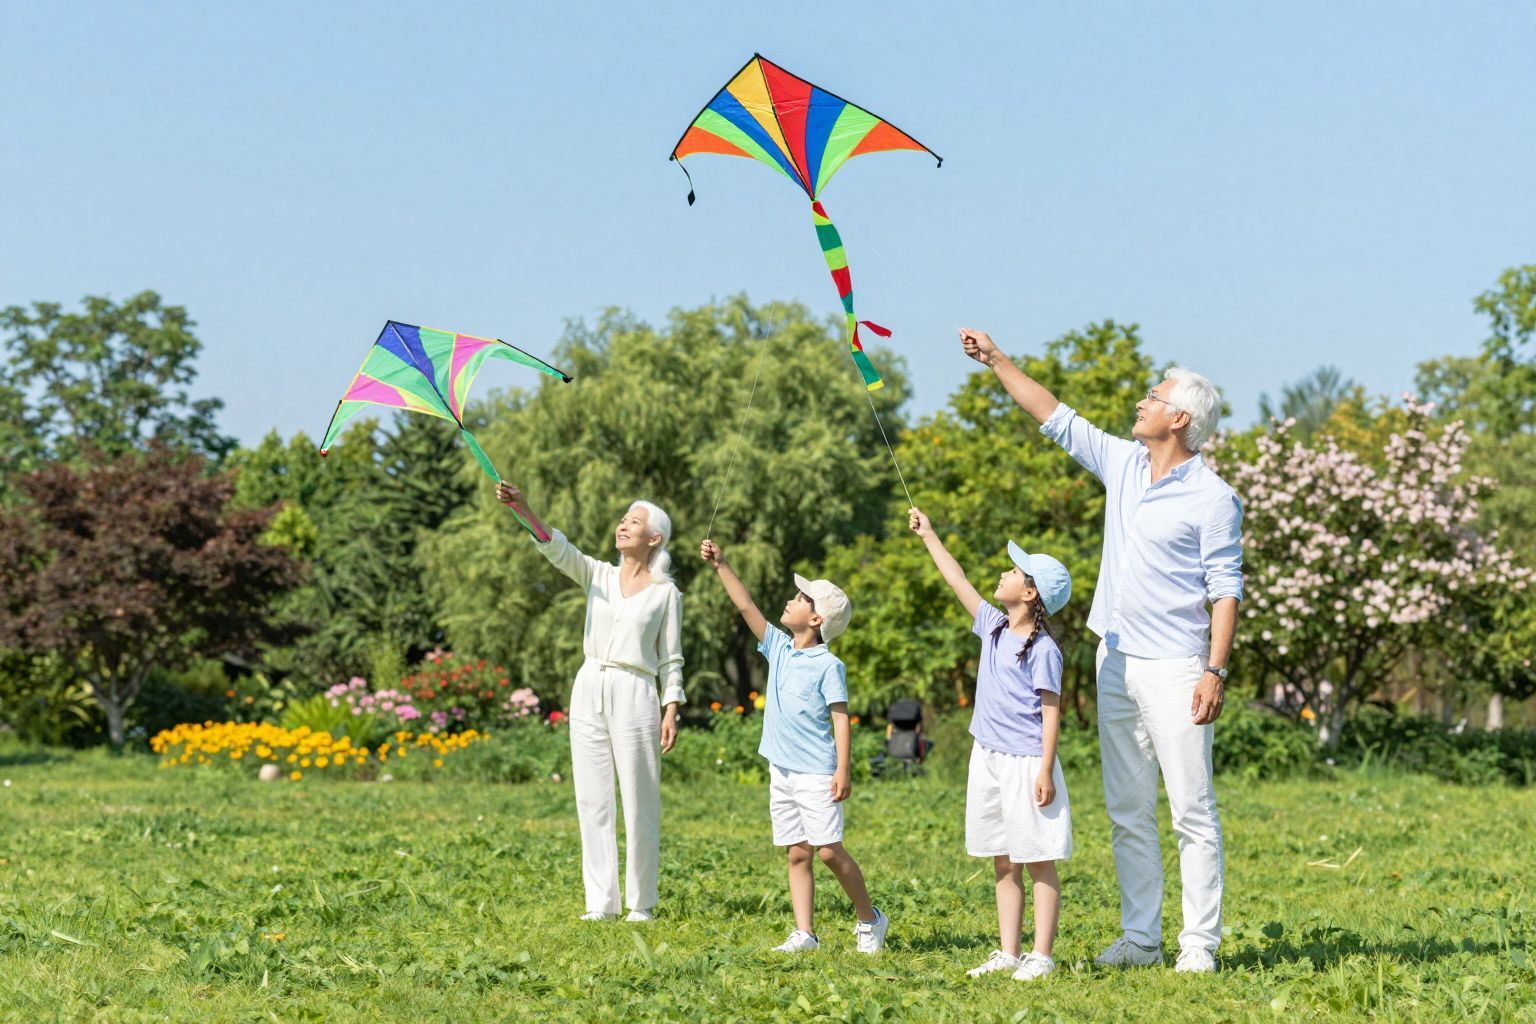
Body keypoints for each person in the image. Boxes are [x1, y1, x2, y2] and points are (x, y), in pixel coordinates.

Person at [958, 328, 1243, 974]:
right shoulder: (1122, 463)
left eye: (1154, 395)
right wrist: (997, 360)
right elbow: (1054, 414)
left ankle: (1198, 945)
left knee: (1191, 809)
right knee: (1128, 809)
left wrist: (1214, 670)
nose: (1142, 400)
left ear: (1181, 418)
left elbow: (1226, 592)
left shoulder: (1214, 499)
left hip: (1178, 668)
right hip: (1114, 660)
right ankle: (1142, 939)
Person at [496, 480, 683, 922]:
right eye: (622, 519)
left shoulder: (665, 593)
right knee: (593, 800)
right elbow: (555, 548)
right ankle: (600, 903)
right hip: (589, 685)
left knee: (640, 799)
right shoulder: (597, 574)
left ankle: (642, 903)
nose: (623, 525)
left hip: (636, 689)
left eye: (633, 522)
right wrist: (523, 506)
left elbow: (671, 658)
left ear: (653, 538)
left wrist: (670, 707)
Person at [699, 538, 889, 954]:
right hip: (781, 769)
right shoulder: (780, 648)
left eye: (801, 598)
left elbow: (841, 718)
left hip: (817, 772)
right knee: (797, 852)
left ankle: (869, 918)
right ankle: (805, 933)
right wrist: (722, 565)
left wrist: (843, 769)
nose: (790, 599)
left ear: (816, 617)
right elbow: (747, 606)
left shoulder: (829, 665)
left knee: (828, 853)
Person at [909, 507, 1073, 982]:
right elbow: (955, 578)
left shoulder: (1044, 649)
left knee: (1037, 858)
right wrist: (930, 535)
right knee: (1003, 859)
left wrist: (1045, 769)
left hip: (1027, 764)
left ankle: (1041, 956)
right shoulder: (993, 626)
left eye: (1014, 570)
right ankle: (1008, 951)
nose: (1003, 571)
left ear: (1030, 592)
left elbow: (1050, 711)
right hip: (988, 758)